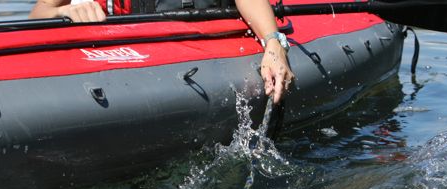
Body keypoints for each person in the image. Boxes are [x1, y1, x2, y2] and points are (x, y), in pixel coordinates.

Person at [29, 0, 294, 103]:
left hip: (214, 48)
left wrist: (273, 42)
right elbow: (39, 15)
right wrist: (65, 11)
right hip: (140, 63)